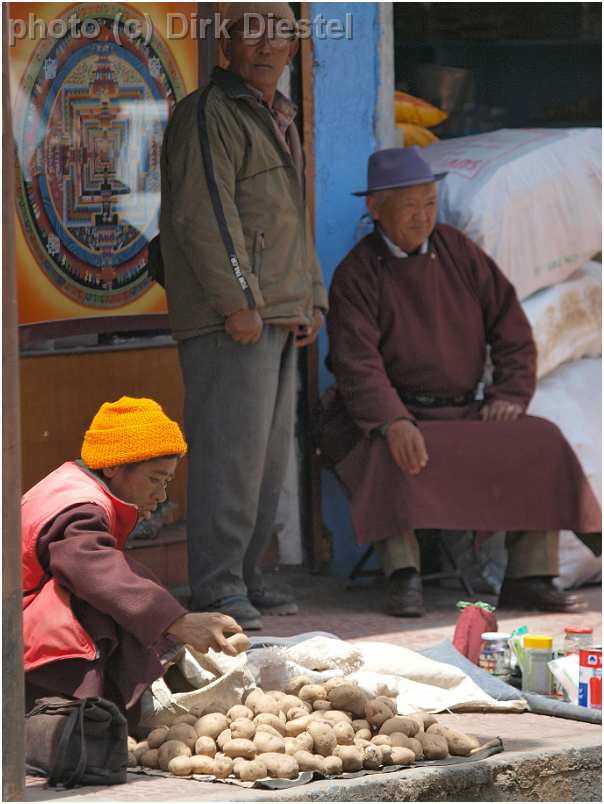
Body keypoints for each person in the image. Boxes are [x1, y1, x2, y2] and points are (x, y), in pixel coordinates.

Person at [323, 147, 601, 617]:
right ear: (376, 208)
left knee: (539, 440)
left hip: (461, 408)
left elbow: (511, 327)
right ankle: (403, 576)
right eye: (409, 204)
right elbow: (357, 362)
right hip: (397, 411)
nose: (422, 216)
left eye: (430, 202)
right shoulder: (357, 273)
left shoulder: (458, 251)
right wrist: (392, 421)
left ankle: (530, 576)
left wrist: (509, 394)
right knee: (392, 452)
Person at [160, 3, 327, 629]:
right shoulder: (208, 112)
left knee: (264, 463)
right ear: (224, 46)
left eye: (279, 33)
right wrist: (240, 301)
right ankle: (219, 587)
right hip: (235, 317)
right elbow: (205, 214)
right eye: (249, 31)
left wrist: (312, 294)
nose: (266, 45)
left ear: (293, 46)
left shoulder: (278, 114)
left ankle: (246, 577)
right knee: (229, 455)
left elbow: (289, 216)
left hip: (278, 314)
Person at [22, 397, 241, 727]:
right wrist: (177, 621)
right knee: (101, 598)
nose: (161, 495)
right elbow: (94, 571)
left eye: (166, 482)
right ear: (112, 467)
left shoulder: (76, 486)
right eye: (154, 479)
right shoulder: (80, 506)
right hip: (15, 638)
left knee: (129, 583)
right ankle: (79, 716)